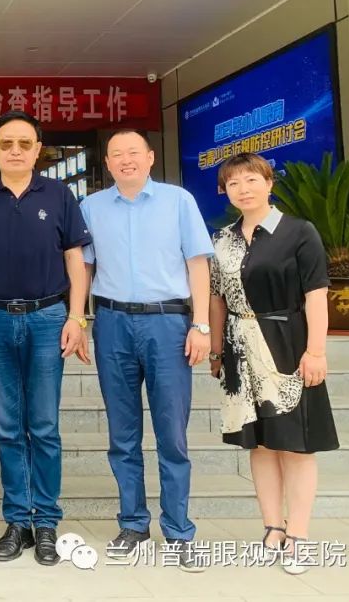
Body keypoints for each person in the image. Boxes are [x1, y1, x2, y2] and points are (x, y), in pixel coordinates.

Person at [0, 110, 90, 567]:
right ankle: (17, 520)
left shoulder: (59, 194)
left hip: (48, 319)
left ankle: (46, 521)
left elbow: (75, 260)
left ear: (38, 150)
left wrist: (77, 317)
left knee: (45, 425)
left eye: (24, 143)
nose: (15, 151)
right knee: (9, 425)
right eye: (7, 143)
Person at [79, 129, 214, 572]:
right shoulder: (91, 207)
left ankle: (178, 530)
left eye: (133, 152)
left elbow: (198, 263)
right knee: (122, 434)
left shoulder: (179, 201)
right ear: (107, 163)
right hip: (112, 322)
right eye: (116, 154)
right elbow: (83, 268)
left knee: (171, 433)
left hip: (167, 323)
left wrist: (201, 324)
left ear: (150, 157)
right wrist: (77, 318)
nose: (126, 160)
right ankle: (133, 524)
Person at [208, 152, 338, 575]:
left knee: (296, 444)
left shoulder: (299, 232)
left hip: (288, 345)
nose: (243, 189)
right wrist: (216, 351)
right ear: (225, 191)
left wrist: (315, 351)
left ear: (269, 183)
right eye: (233, 183)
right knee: (260, 444)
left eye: (252, 179)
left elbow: (316, 296)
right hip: (239, 350)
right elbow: (217, 298)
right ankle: (272, 529)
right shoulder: (222, 240)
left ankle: (298, 534)